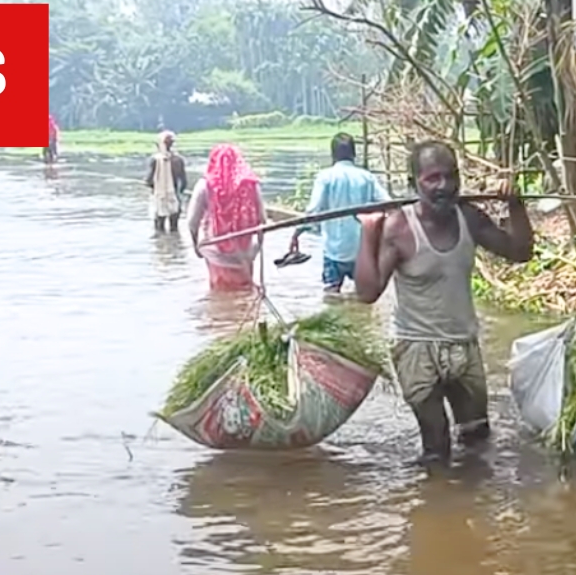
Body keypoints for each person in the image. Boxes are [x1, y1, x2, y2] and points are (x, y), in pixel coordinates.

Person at [353, 140, 534, 465]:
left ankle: (471, 509)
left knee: (477, 438)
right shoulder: (399, 227)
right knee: (436, 447)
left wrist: (516, 206)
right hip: (416, 349)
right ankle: (434, 509)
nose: (444, 187)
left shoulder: (469, 218)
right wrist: (369, 233)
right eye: (433, 179)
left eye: (451, 177)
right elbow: (367, 293)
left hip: (463, 345)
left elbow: (520, 253)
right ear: (414, 183)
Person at [289, 133, 390, 293]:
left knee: (331, 296)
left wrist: (297, 232)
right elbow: (387, 203)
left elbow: (313, 210)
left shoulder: (325, 177)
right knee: (364, 296)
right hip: (361, 250)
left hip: (334, 250)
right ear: (354, 154)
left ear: (333, 155)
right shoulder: (367, 177)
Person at [188, 144, 267, 291]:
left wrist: (196, 246)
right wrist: (256, 248)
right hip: (245, 251)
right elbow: (262, 220)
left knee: (220, 294)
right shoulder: (251, 185)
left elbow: (192, 222)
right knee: (244, 291)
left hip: (216, 251)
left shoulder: (205, 185)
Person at [145, 130, 188, 232]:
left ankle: (162, 246)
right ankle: (174, 246)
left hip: (160, 197)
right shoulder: (179, 160)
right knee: (174, 228)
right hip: (174, 197)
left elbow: (149, 181)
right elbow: (184, 182)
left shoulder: (154, 160)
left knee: (159, 229)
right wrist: (179, 193)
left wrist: (153, 187)